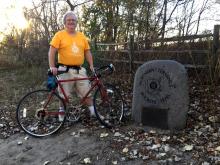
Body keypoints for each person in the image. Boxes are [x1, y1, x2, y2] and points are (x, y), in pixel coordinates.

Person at [48, 11, 96, 118]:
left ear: (76, 22)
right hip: (64, 69)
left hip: (80, 70)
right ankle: (61, 113)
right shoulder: (59, 35)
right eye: (68, 20)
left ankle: (94, 113)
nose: (71, 22)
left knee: (86, 92)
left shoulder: (81, 36)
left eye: (73, 20)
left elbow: (87, 51)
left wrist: (91, 65)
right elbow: (52, 51)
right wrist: (52, 66)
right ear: (65, 22)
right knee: (64, 95)